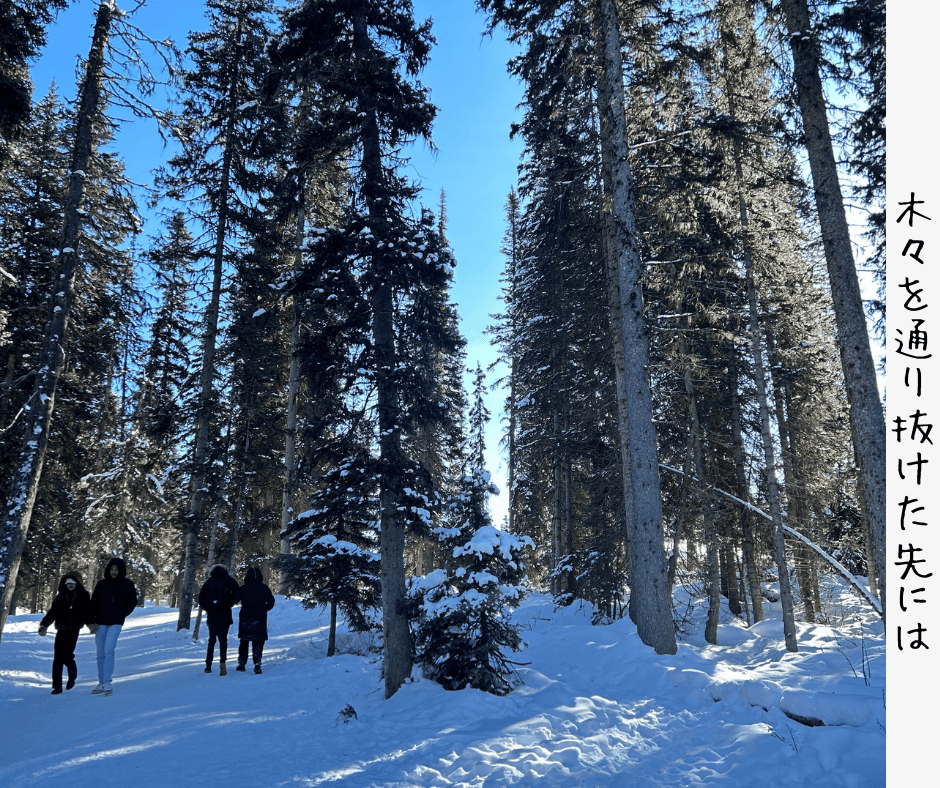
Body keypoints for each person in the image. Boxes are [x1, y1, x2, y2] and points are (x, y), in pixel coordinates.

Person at [88, 556, 138, 695]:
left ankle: (108, 681)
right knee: (100, 652)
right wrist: (91, 620)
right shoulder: (101, 585)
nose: (114, 572)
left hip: (116, 622)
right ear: (108, 570)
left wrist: (122, 613)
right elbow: (93, 603)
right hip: (100, 622)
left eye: (116, 569)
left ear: (121, 570)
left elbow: (132, 601)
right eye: (112, 569)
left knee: (109, 649)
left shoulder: (127, 584)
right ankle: (101, 682)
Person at [38, 571, 93, 694]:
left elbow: (87, 612)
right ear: (64, 584)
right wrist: (44, 624)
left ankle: (72, 674)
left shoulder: (83, 595)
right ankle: (57, 686)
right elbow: (52, 612)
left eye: (73, 582)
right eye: (68, 583)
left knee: (67, 656)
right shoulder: (60, 596)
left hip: (74, 629)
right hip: (61, 629)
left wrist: (91, 624)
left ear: (78, 583)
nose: (70, 585)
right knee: (57, 657)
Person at [198, 563, 239, 675]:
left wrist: (207, 608)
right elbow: (237, 595)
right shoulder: (229, 580)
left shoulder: (209, 582)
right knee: (223, 640)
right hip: (225, 614)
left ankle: (208, 665)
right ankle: (222, 663)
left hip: (212, 615)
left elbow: (201, 598)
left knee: (211, 640)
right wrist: (230, 603)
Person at [234, 566, 275, 674]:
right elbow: (271, 601)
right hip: (260, 617)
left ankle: (241, 664)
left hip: (246, 617)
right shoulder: (264, 588)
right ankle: (257, 663)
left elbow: (235, 600)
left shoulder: (243, 588)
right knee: (258, 641)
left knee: (244, 641)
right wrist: (264, 608)